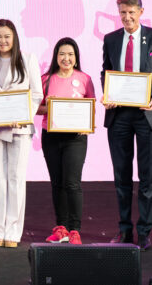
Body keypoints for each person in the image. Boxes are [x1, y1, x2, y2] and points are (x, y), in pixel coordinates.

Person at [102, 0, 152, 250]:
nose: (127, 17)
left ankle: (144, 232)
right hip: (119, 115)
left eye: (132, 12)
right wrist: (108, 93)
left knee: (147, 178)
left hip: (148, 115)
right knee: (121, 176)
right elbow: (106, 71)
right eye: (123, 12)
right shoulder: (110, 39)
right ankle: (124, 230)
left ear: (141, 12)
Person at [0, 20, 43, 248]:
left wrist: (24, 115)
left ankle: (13, 232)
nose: (2, 41)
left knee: (16, 179)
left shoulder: (27, 59)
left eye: (6, 36)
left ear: (14, 37)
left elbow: (36, 93)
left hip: (20, 129)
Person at [38, 38, 95, 246]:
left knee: (72, 183)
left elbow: (91, 106)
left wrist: (85, 122)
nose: (66, 58)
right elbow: (37, 107)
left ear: (76, 57)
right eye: (62, 54)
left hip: (75, 138)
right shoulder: (46, 79)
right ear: (56, 56)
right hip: (51, 135)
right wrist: (54, 108)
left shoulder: (85, 79)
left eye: (70, 54)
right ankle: (60, 228)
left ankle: (75, 230)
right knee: (57, 183)